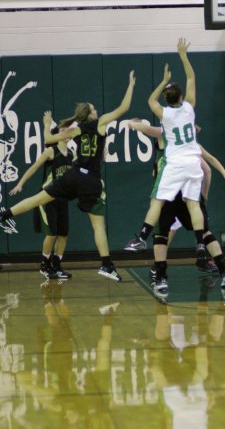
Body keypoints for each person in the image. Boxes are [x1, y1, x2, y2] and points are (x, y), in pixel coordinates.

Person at [0, 71, 137, 282]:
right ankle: (106, 265)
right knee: (98, 226)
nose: (97, 110)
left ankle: (5, 215)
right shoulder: (99, 124)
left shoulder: (77, 129)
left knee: (38, 199)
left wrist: (47, 124)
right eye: (94, 108)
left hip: (73, 175)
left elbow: (48, 138)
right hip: (90, 180)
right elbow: (124, 108)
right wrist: (130, 84)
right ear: (90, 114)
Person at [126, 120, 225, 294]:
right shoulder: (191, 143)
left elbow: (146, 128)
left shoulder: (166, 136)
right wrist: (209, 191)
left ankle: (160, 274)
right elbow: (208, 167)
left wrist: (133, 124)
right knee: (205, 232)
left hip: (169, 191)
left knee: (161, 234)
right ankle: (224, 269)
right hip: (188, 192)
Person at [125, 38, 206, 261]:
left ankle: (141, 236)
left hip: (176, 163)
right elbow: (191, 76)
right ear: (181, 97)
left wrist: (163, 81)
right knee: (193, 204)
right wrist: (182, 55)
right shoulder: (189, 107)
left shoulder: (164, 113)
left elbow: (150, 100)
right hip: (193, 161)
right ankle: (200, 243)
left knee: (158, 201)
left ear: (166, 99)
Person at [10, 123, 75, 280]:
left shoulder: (72, 154)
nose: (67, 131)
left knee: (64, 234)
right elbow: (33, 168)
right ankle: (44, 265)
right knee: (51, 234)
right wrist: (20, 184)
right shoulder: (51, 151)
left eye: (68, 129)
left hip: (62, 198)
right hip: (47, 197)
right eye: (63, 129)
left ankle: (56, 265)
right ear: (57, 134)